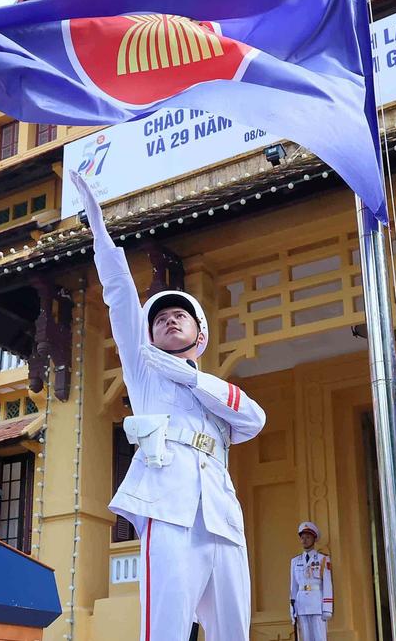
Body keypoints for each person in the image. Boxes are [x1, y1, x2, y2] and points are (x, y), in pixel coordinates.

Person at [70, 171, 266, 641]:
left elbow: (254, 420)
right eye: (159, 319)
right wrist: (99, 229)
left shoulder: (212, 389)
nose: (169, 320)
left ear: (200, 336)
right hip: (171, 506)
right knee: (167, 628)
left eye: (180, 315)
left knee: (233, 631)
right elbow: (119, 295)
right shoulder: (144, 370)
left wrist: (193, 379)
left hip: (220, 513)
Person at [290, 521, 332, 641]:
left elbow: (327, 584)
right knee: (305, 638)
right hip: (301, 604)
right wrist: (292, 608)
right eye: (302, 537)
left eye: (308, 537)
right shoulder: (295, 561)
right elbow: (293, 587)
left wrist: (327, 608)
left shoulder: (323, 559)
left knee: (319, 637)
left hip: (317, 604)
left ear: (314, 538)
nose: (304, 540)